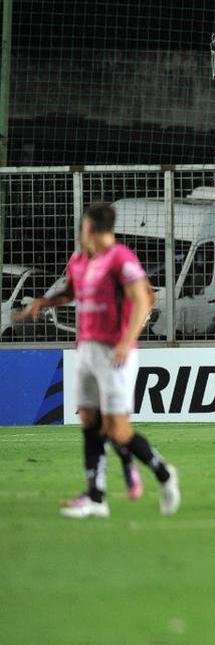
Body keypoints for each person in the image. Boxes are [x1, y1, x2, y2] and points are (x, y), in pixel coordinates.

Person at [17, 203, 180, 518]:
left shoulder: (121, 259)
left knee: (117, 429)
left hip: (113, 351)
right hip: (86, 348)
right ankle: (96, 497)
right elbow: (70, 293)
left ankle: (164, 474)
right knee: (89, 421)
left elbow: (143, 297)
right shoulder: (79, 260)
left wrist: (125, 340)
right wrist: (45, 302)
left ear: (88, 227)